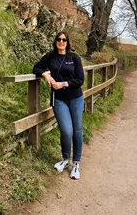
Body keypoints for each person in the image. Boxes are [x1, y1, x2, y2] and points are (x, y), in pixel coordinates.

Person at [33, 31, 85, 180]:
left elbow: (80, 79)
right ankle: (65, 159)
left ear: (67, 42)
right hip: (59, 100)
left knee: (77, 130)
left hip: (75, 98)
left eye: (64, 40)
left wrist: (63, 84)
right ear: (55, 41)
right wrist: (45, 74)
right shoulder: (51, 57)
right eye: (58, 39)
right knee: (66, 131)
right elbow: (36, 67)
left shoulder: (74, 58)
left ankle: (76, 163)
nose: (61, 42)